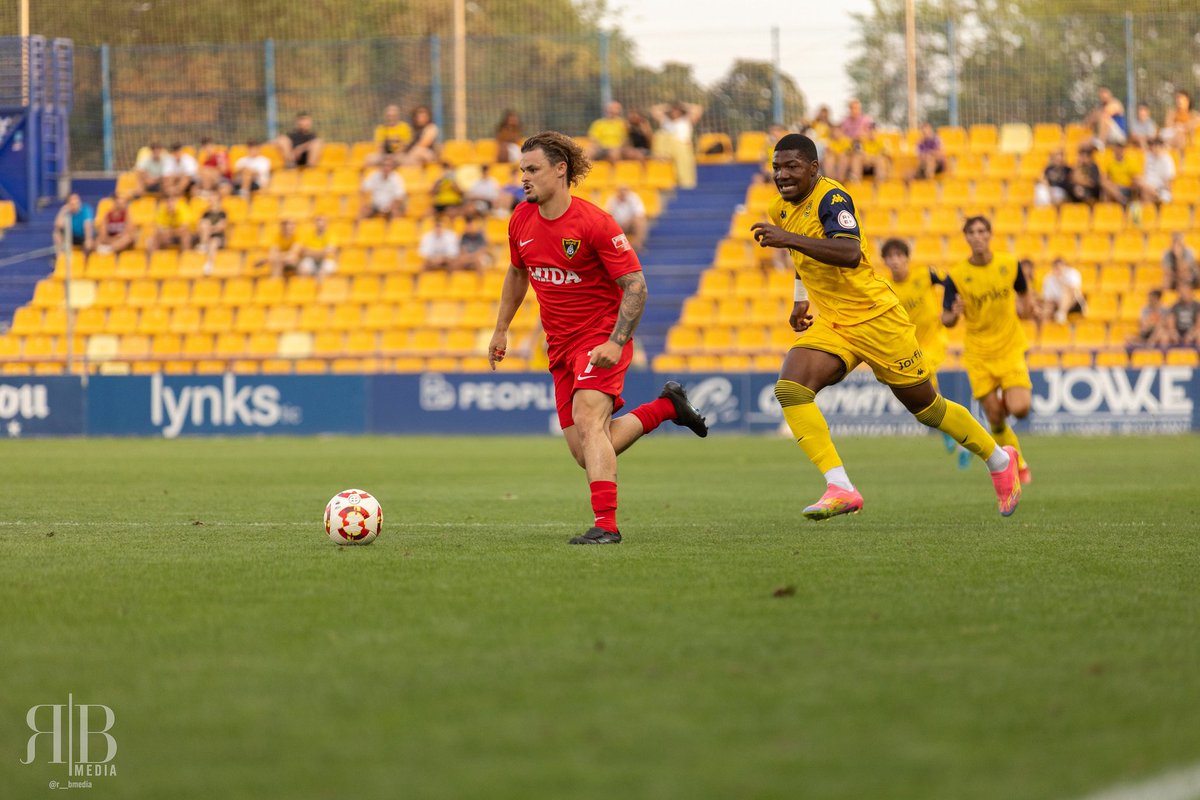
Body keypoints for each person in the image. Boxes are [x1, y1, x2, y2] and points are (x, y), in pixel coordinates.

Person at [748, 134, 1021, 520]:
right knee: (791, 389)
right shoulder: (781, 209)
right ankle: (840, 486)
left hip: (878, 319)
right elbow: (799, 254)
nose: (782, 175)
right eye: (777, 167)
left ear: (814, 168)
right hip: (837, 322)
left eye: (792, 166)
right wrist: (799, 298)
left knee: (927, 409)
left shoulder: (832, 198)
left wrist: (787, 238)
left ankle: (998, 459)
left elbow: (848, 251)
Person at [488, 131, 709, 544]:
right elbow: (518, 273)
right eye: (522, 171)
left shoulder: (595, 223)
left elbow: (637, 286)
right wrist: (501, 328)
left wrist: (616, 341)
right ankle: (665, 408)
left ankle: (606, 526)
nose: (525, 178)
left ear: (560, 170)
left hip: (599, 338)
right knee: (584, 449)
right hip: (559, 345)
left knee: (591, 423)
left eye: (533, 169)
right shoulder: (520, 219)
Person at [941, 216, 1036, 487]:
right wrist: (954, 315)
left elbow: (1025, 295)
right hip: (979, 354)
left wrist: (1030, 308)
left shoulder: (1010, 264)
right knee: (995, 419)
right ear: (967, 238)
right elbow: (945, 319)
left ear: (990, 234)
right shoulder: (956, 276)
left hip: (1010, 348)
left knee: (1020, 408)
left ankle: (1007, 401)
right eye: (972, 232)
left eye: (982, 231)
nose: (977, 236)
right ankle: (1019, 464)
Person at [879, 238, 969, 468]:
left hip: (934, 341)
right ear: (885, 261)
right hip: (910, 349)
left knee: (925, 377)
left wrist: (950, 306)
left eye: (900, 256)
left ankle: (952, 433)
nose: (896, 261)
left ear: (907, 258)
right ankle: (959, 438)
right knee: (927, 398)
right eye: (890, 257)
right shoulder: (884, 287)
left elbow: (951, 281)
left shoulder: (926, 275)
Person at [650, 100, 703, 189]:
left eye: (677, 110)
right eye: (673, 110)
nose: (675, 112)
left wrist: (683, 106)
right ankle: (661, 156)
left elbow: (698, 109)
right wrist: (669, 107)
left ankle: (685, 185)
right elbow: (654, 110)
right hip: (667, 147)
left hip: (682, 146)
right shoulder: (665, 121)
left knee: (684, 166)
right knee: (660, 134)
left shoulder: (686, 120)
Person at [358, 155, 408, 220]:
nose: (386, 167)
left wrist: (390, 208)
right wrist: (365, 204)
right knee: (361, 214)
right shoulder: (374, 176)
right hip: (376, 206)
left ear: (392, 167)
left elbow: (399, 197)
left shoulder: (397, 178)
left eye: (388, 165)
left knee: (395, 213)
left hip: (390, 207)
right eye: (384, 165)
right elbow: (364, 189)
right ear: (380, 166)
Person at [1040, 257, 1087, 324]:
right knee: (1047, 307)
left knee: (1067, 290)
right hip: (1056, 305)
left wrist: (1061, 279)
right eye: (1056, 267)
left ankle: (1061, 314)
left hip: (1074, 304)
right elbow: (1047, 299)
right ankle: (1045, 328)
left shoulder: (1073, 273)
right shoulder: (1048, 278)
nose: (1058, 269)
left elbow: (1074, 291)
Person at [605, 185, 648, 252]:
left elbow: (639, 214)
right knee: (607, 225)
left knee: (640, 222)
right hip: (617, 224)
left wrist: (628, 222)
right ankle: (619, 249)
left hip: (631, 224)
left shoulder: (634, 198)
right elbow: (608, 215)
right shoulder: (612, 200)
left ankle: (637, 246)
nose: (622, 192)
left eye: (624, 190)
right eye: (620, 190)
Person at [1098, 141, 1139, 206]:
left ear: (1124, 150)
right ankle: (1120, 199)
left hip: (1126, 188)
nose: (1119, 150)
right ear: (1114, 149)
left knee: (1108, 191)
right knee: (1105, 189)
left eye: (1121, 148)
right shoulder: (1109, 162)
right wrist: (1114, 186)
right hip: (1114, 187)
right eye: (1118, 148)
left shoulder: (1130, 162)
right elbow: (1104, 179)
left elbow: (1136, 179)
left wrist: (1129, 186)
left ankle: (1120, 199)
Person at [197, 193, 228, 273]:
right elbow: (200, 227)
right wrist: (209, 228)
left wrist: (209, 229)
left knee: (213, 242)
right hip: (207, 235)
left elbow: (221, 227)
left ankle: (210, 264)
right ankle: (203, 244)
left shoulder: (222, 213)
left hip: (219, 237)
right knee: (205, 223)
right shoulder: (206, 213)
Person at [1138, 138, 1176, 204]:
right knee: (1141, 185)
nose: (1155, 149)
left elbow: (1168, 180)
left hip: (1159, 188)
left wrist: (1166, 191)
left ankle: (1150, 210)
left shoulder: (1167, 160)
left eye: (1157, 147)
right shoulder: (1147, 156)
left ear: (1161, 147)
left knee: (1146, 193)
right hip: (1147, 185)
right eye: (1153, 147)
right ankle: (1150, 211)